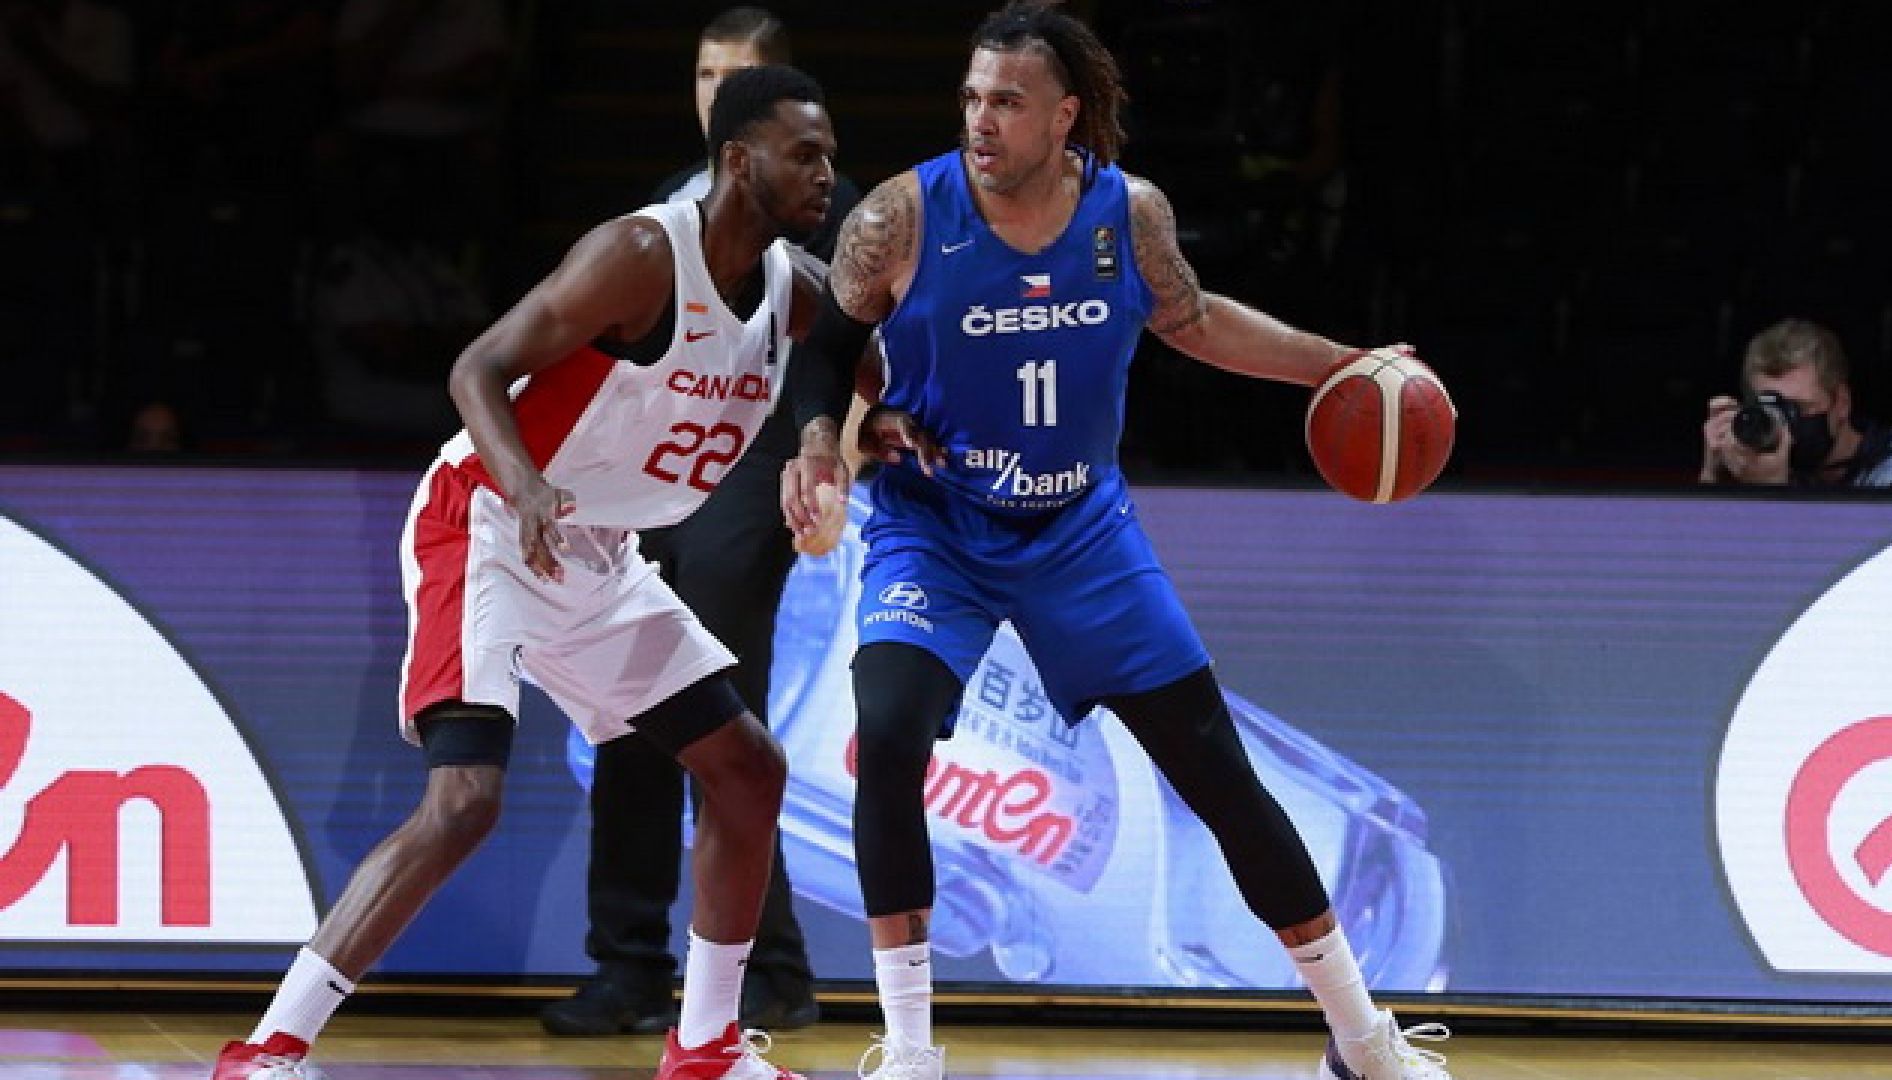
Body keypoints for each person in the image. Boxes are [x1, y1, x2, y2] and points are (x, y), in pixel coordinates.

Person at [779, 5, 1455, 1080]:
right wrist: (822, 441)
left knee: (1218, 774)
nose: (980, 120)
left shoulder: (1126, 215)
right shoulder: (899, 218)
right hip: (938, 526)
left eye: (1007, 102)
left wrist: (1339, 363)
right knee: (890, 733)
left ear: (1065, 117)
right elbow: (825, 354)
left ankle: (1363, 1039)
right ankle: (908, 1050)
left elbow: (1196, 319)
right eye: (971, 97)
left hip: (1081, 532)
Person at [211, 63, 843, 1080]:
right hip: (493, 523)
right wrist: (528, 487)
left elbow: (863, 358)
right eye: (804, 153)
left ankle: (705, 1046)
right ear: (739, 159)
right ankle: (268, 1048)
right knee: (464, 800)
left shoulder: (793, 290)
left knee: (747, 770)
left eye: (829, 157)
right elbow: (478, 367)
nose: (825, 175)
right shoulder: (642, 254)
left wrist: (855, 430)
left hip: (600, 553)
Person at [539, 6, 859, 1039]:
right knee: (630, 713)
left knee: (721, 719)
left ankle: (771, 974)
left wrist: (832, 472)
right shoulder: (673, 209)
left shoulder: (819, 205)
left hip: (753, 476)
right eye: (704, 72)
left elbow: (848, 359)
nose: (715, 89)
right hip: (653, 480)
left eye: (738, 74)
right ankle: (629, 967)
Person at [1699, 318, 1892, 490]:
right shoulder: (1753, 466)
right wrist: (1713, 480)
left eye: (1799, 407)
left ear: (1842, 403)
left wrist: (1771, 492)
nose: (1784, 427)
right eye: (1771, 410)